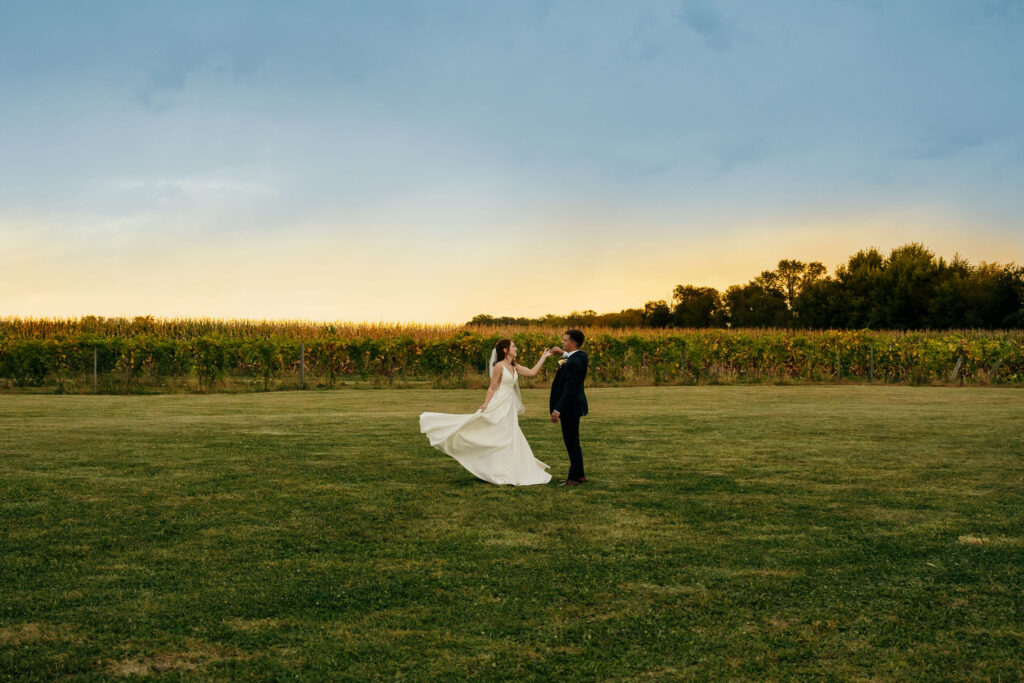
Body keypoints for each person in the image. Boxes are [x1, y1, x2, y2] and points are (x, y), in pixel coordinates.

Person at [419, 339, 553, 486]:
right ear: (505, 350)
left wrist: (543, 357)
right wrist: (486, 404)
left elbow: (532, 372)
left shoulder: (515, 366)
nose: (516, 348)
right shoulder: (499, 367)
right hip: (499, 403)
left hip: (509, 406)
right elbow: (492, 387)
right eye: (513, 346)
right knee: (494, 433)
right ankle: (438, 426)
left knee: (509, 436)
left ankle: (507, 469)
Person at [548, 329, 589, 487]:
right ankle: (580, 475)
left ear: (573, 343)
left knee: (571, 443)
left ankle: (573, 478)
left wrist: (558, 410)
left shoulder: (573, 362)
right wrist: (564, 354)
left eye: (565, 341)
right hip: (575, 406)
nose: (563, 343)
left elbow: (569, 389)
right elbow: (575, 358)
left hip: (570, 408)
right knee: (574, 442)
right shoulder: (581, 356)